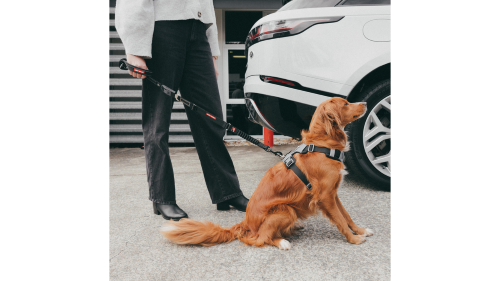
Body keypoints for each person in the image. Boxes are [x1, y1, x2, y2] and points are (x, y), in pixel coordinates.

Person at [115, 0, 249, 221]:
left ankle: (227, 192)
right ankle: (162, 197)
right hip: (163, 28)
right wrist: (135, 47)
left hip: (198, 31)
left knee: (212, 118)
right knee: (157, 122)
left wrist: (213, 52)